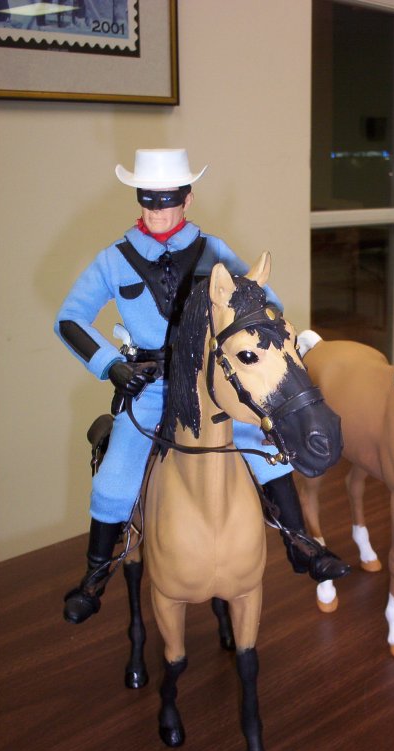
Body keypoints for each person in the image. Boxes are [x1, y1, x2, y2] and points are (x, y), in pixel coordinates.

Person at [55, 148, 349, 624]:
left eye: (167, 199)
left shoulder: (214, 251)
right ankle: (95, 575)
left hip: (209, 387)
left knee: (259, 445)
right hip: (150, 387)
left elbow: (264, 303)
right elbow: (70, 319)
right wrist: (112, 366)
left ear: (186, 199)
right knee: (115, 475)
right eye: (148, 198)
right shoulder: (114, 260)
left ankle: (299, 542)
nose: (157, 210)